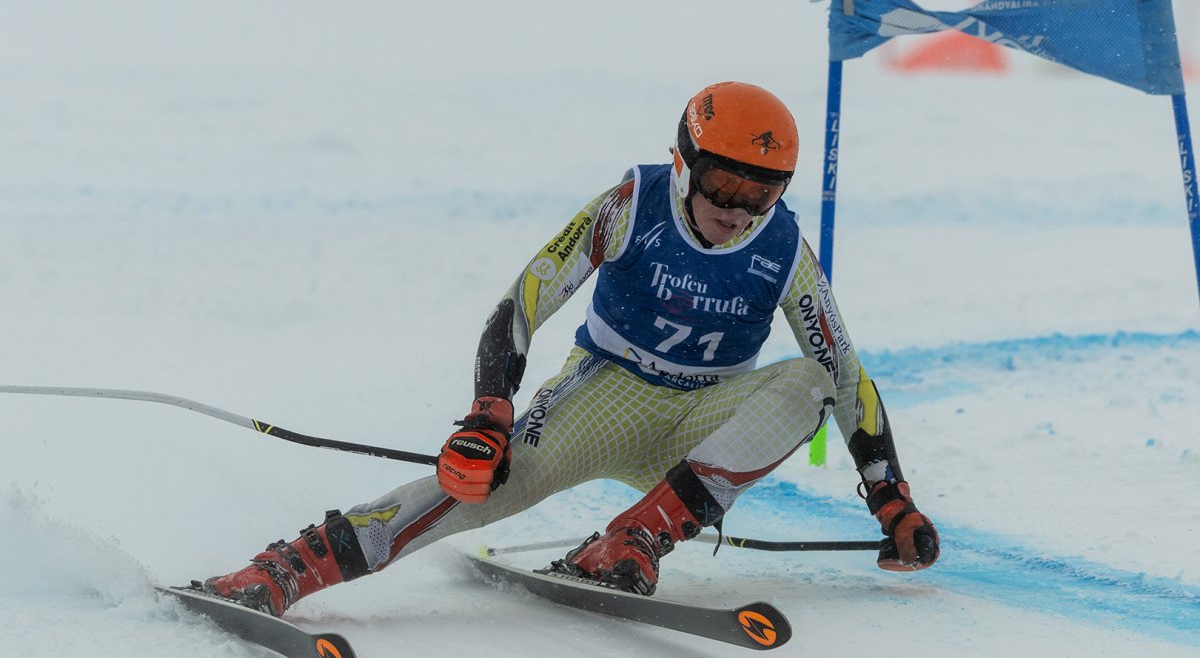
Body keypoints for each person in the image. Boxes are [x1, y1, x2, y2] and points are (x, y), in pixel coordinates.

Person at [198, 81, 940, 616]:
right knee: (479, 488)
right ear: (683, 160)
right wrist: (490, 411)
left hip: (702, 431)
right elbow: (522, 304)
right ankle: (294, 567)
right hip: (607, 396)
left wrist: (890, 494)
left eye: (760, 194)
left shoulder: (782, 248)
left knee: (808, 380)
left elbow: (846, 375)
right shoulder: (633, 204)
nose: (735, 210)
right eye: (721, 183)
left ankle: (632, 541)